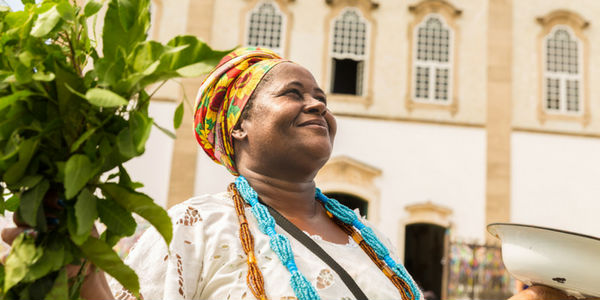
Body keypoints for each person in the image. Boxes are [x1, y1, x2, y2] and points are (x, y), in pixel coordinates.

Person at [1, 47, 576, 300]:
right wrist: (74, 259)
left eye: (323, 96)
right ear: (239, 127)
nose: (318, 105)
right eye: (293, 93)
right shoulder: (193, 228)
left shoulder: (367, 243)